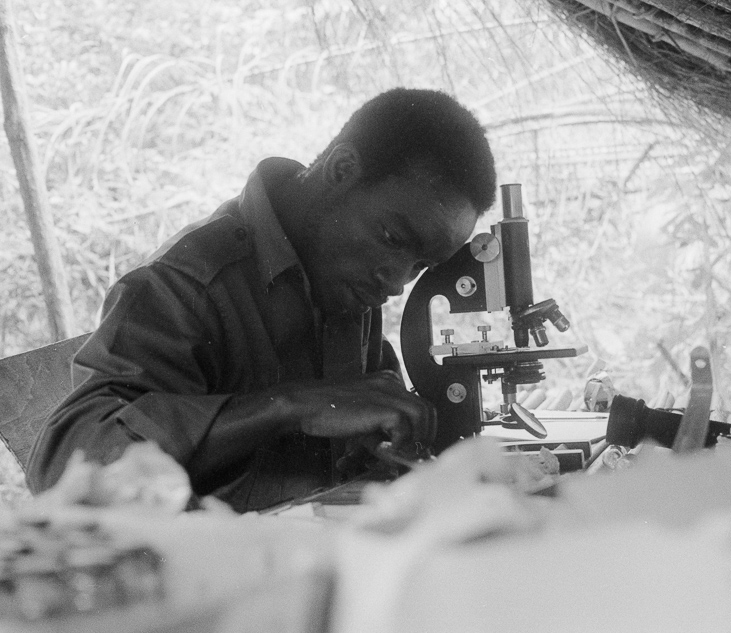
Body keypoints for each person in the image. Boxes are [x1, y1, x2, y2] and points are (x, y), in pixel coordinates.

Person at [25, 88, 497, 512]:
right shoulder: (186, 285)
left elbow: (361, 414)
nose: (397, 282)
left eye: (420, 267)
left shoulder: (347, 281)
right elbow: (63, 466)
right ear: (341, 170)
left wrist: (374, 440)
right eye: (393, 237)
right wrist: (291, 406)